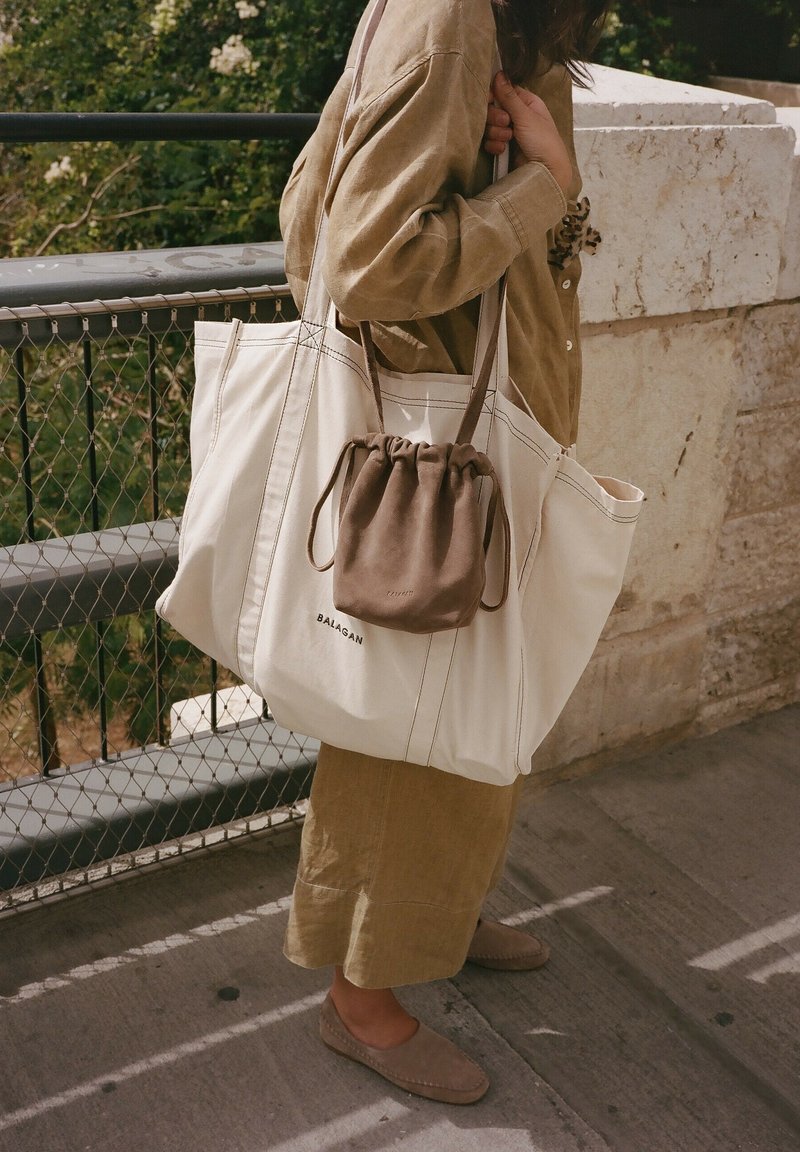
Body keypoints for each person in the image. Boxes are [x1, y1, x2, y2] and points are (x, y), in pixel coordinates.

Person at [279, 0, 609, 1105]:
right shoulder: (450, 16)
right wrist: (541, 183)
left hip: (495, 429)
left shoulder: (488, 15)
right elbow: (363, 260)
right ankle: (360, 1000)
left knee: (472, 708)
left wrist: (528, 184)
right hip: (444, 452)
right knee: (408, 728)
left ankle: (438, 915)